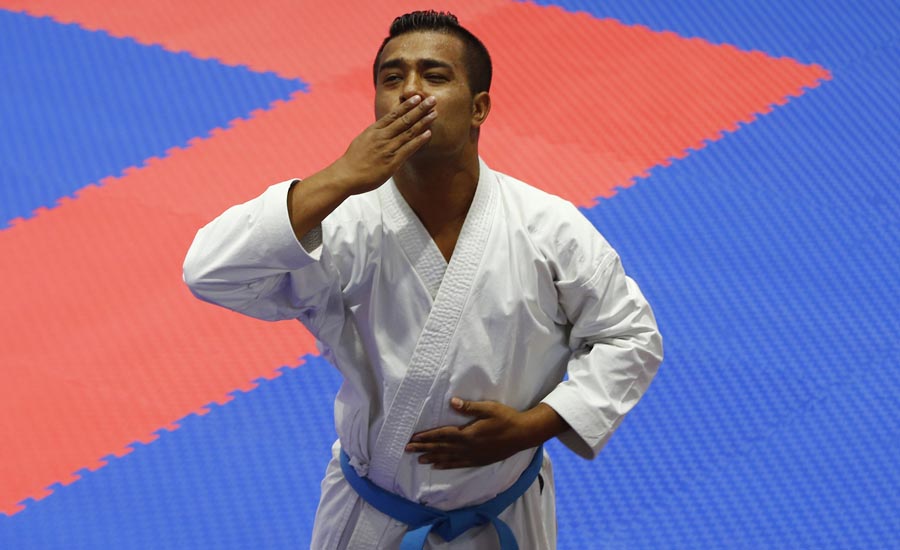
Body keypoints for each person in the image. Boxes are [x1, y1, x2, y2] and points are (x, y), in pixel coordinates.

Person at [183, 10, 662, 549]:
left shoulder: (548, 227)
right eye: (392, 78)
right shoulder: (339, 224)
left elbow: (630, 336)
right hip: (374, 515)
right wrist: (339, 177)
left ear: (479, 107)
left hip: (507, 508)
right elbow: (208, 271)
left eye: (434, 76)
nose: (410, 91)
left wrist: (539, 424)